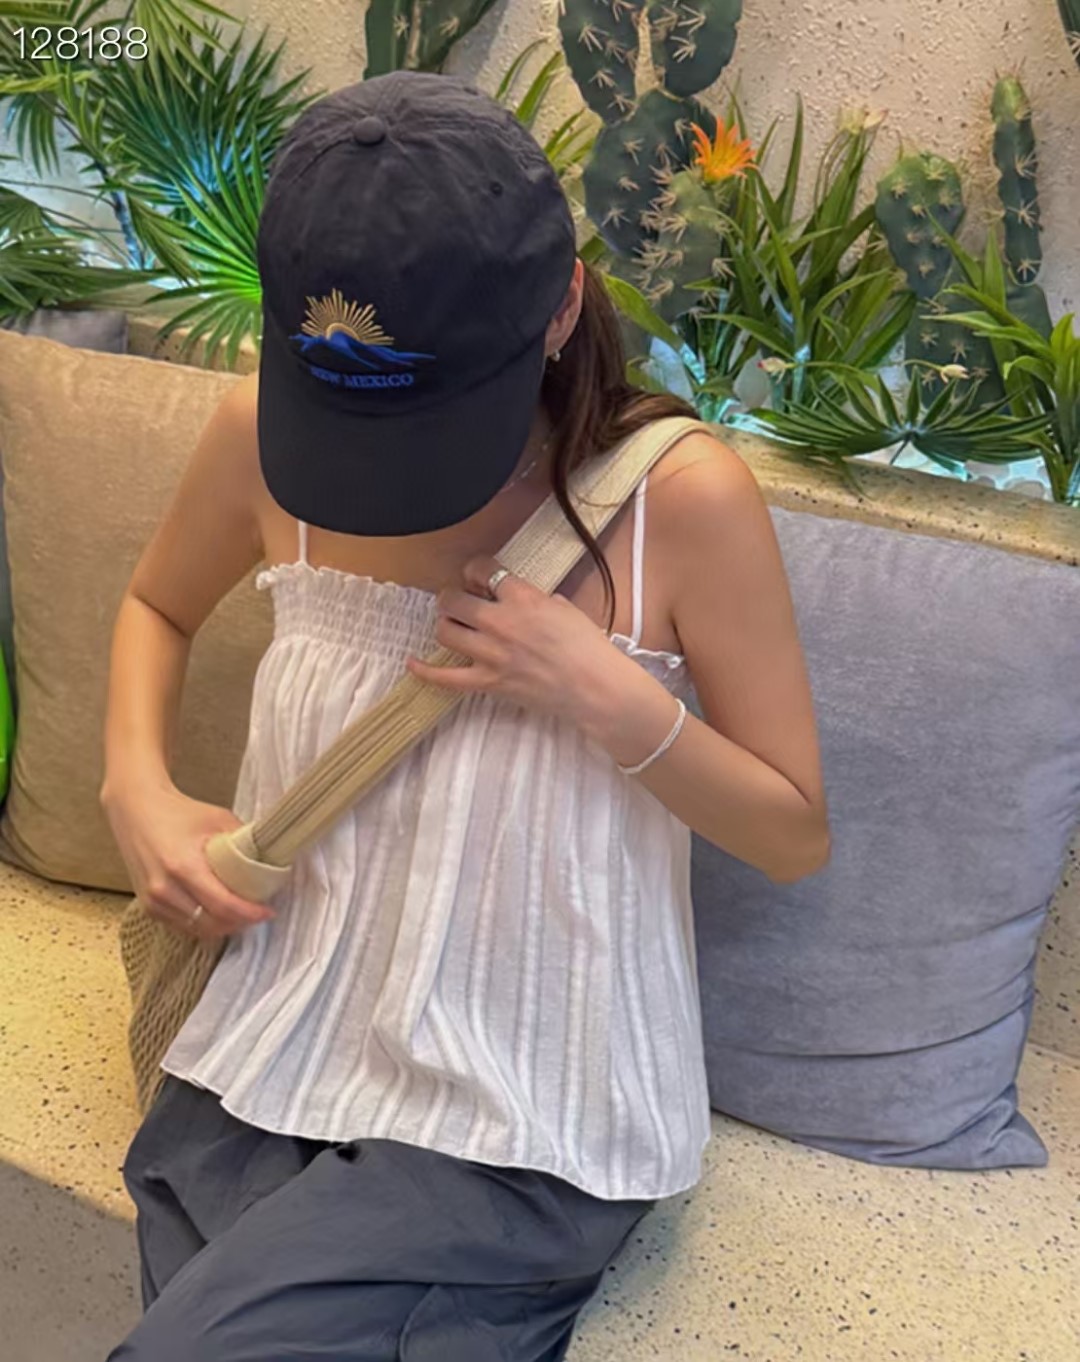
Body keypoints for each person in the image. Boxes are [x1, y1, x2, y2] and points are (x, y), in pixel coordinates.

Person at [100, 69, 830, 1362]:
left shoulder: (681, 501)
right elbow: (157, 604)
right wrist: (137, 791)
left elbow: (793, 834)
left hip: (525, 1099)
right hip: (269, 1039)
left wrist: (609, 696)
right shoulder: (259, 432)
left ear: (563, 305)